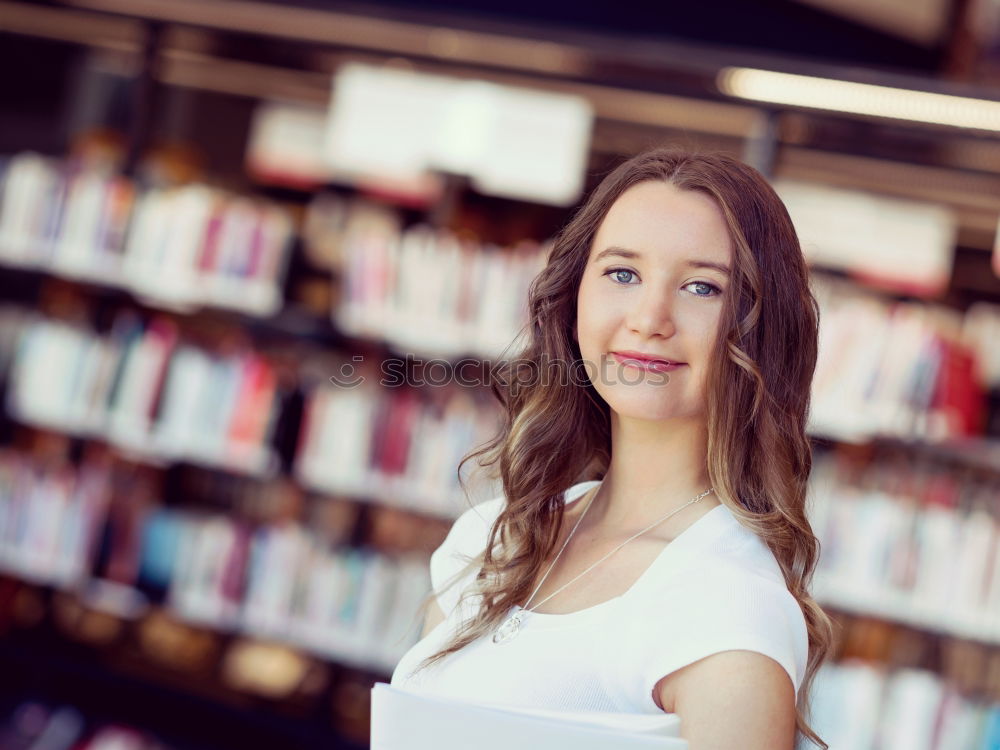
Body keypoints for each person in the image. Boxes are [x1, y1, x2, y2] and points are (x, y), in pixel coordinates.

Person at [389, 146, 835, 750]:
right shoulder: (490, 534)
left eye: (702, 287)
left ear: (761, 330)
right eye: (622, 274)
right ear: (575, 295)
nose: (650, 317)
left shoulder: (728, 610)